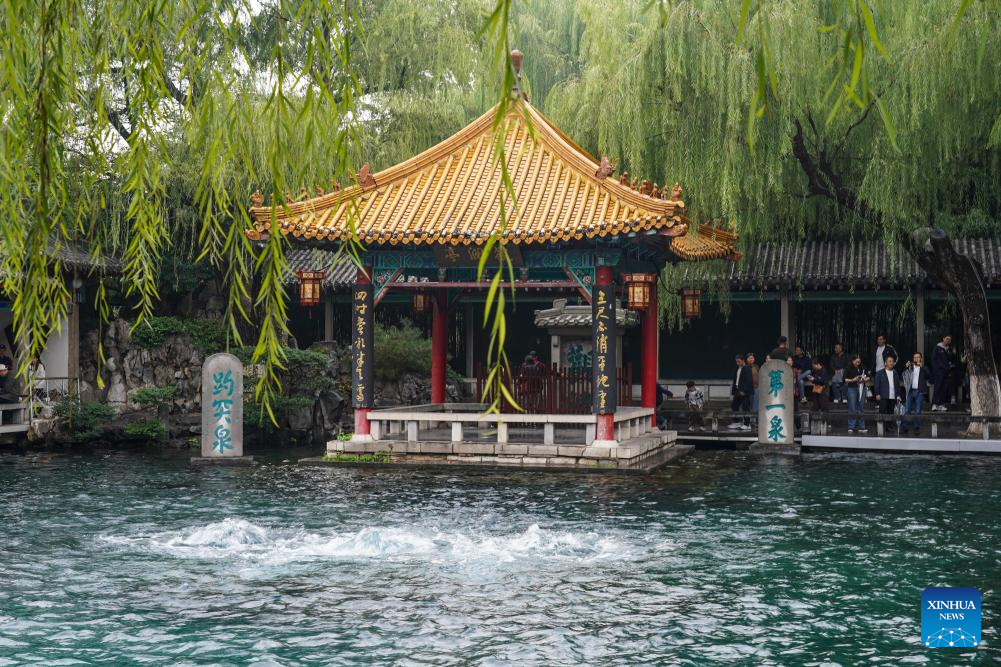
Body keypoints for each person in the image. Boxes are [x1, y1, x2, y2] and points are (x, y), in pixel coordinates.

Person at [901, 352, 930, 435]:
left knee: (918, 411)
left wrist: (922, 367)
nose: (916, 359)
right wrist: (906, 367)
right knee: (907, 410)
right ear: (913, 359)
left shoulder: (924, 368)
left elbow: (929, 376)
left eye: (918, 357)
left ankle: (916, 427)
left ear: (921, 359)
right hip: (910, 391)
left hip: (919, 392)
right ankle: (905, 427)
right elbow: (903, 375)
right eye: (915, 357)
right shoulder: (910, 368)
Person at [874, 354, 903, 434]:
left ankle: (889, 428)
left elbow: (897, 385)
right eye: (889, 361)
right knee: (882, 412)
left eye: (892, 362)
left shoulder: (895, 373)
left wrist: (898, 395)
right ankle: (880, 428)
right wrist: (877, 393)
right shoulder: (880, 373)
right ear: (885, 363)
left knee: (891, 413)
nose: (891, 363)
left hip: (893, 396)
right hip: (883, 395)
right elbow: (877, 384)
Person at [844, 354, 869, 433]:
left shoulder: (863, 366)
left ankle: (861, 427)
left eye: (859, 361)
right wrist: (853, 380)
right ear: (853, 361)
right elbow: (845, 379)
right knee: (852, 407)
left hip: (862, 388)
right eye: (856, 361)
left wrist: (864, 379)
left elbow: (869, 376)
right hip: (852, 388)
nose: (858, 362)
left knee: (861, 407)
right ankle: (851, 426)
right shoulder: (848, 367)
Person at [931, 335, 955, 411]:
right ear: (943, 339)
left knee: (944, 389)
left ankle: (941, 404)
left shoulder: (949, 349)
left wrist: (953, 353)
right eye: (947, 339)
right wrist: (936, 370)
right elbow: (933, 359)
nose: (948, 340)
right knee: (937, 387)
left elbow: (951, 360)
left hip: (946, 372)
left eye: (950, 339)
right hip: (939, 372)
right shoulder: (937, 347)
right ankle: (934, 404)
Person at [746, 352, 759, 426]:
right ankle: (748, 421)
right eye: (750, 358)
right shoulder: (745, 367)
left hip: (756, 388)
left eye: (752, 358)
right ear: (747, 359)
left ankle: (753, 421)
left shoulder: (756, 367)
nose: (751, 359)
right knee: (749, 405)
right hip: (748, 389)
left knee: (755, 405)